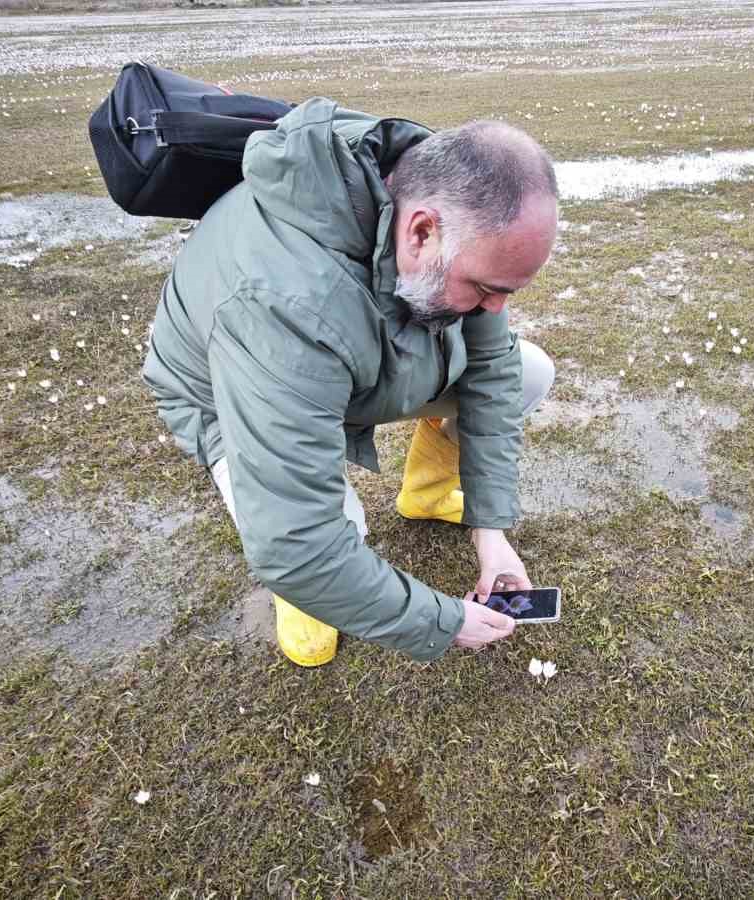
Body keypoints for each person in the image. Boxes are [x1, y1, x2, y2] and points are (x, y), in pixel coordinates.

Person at [141, 97, 560, 667]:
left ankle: (428, 494)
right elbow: (297, 541)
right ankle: (306, 599)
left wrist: (491, 529)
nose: (495, 309)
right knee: (332, 535)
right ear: (421, 233)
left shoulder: (447, 203)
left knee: (529, 371)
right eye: (487, 288)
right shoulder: (282, 299)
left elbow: (493, 371)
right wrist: (441, 622)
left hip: (340, 364)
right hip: (232, 394)